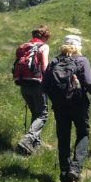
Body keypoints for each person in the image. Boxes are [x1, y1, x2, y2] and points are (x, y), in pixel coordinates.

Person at [42, 35, 91, 182]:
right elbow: (89, 83)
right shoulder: (82, 60)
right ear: (78, 46)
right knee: (83, 133)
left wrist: (55, 98)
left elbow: (44, 87)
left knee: (63, 139)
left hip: (59, 106)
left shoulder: (54, 61)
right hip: (78, 103)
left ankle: (64, 180)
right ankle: (76, 167)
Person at [16, 25, 52, 155]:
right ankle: (28, 139)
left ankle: (35, 145)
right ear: (44, 36)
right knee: (43, 115)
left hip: (23, 85)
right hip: (37, 84)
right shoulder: (43, 47)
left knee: (36, 115)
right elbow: (45, 66)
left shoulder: (23, 47)